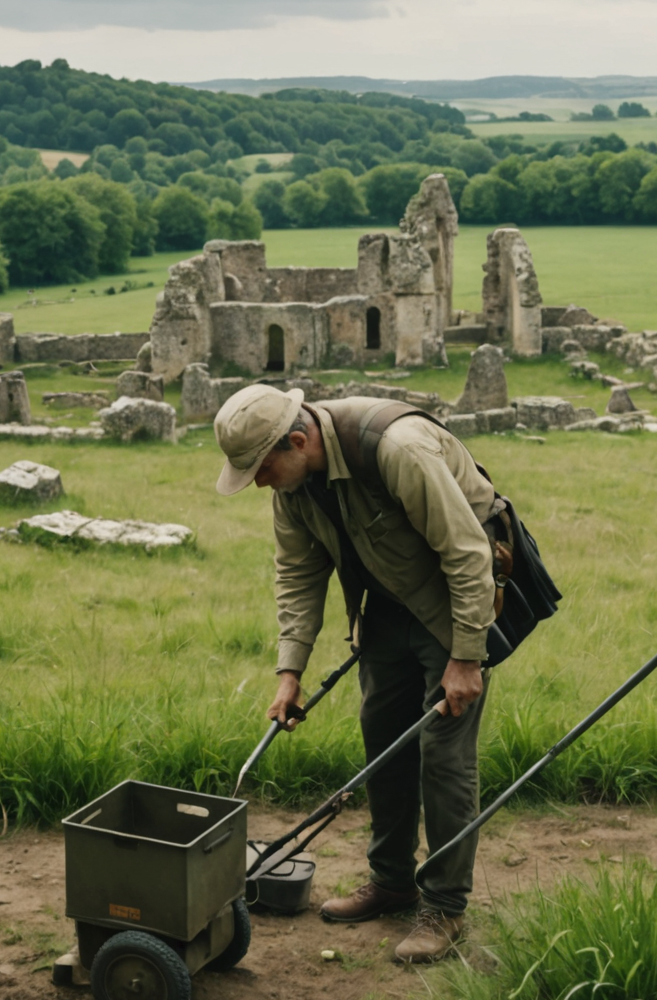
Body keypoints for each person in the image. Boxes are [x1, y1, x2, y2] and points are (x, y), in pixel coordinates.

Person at [213, 384, 497, 962]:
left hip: (452, 608)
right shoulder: (293, 487)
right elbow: (297, 574)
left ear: (298, 441)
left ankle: (444, 907)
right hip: (385, 609)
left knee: (443, 757)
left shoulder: (399, 448)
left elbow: (469, 552)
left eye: (261, 469)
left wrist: (467, 657)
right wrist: (289, 673)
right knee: (383, 741)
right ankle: (392, 882)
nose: (260, 483)